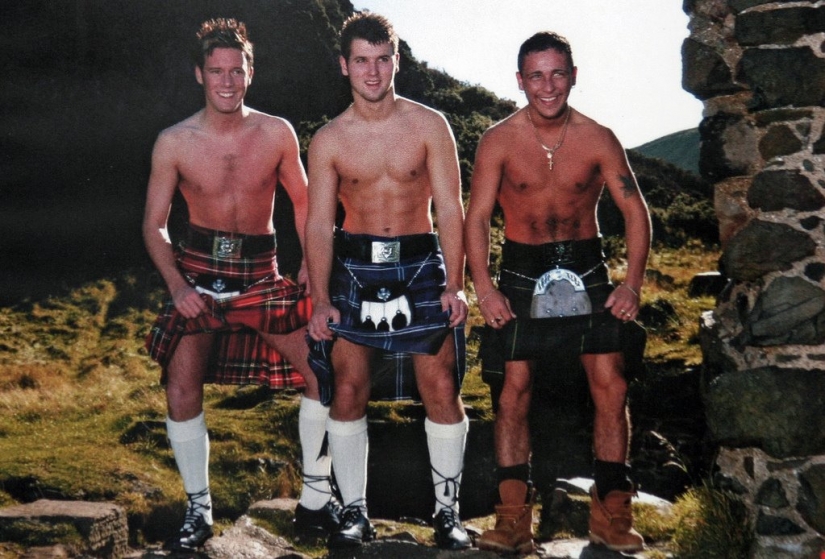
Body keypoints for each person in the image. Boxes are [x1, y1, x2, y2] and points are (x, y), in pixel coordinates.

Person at [142, 18, 339, 551]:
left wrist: (310, 263)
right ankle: (198, 510)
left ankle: (316, 501)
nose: (226, 81)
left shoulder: (276, 133)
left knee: (322, 371)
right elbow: (154, 226)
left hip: (260, 273)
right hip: (198, 275)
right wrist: (178, 287)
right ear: (199, 74)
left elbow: (305, 203)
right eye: (216, 71)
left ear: (250, 72)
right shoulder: (174, 141)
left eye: (236, 70)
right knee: (181, 383)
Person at [464, 32, 651, 554]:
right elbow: (477, 217)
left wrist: (632, 283)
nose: (548, 87)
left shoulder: (598, 138)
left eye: (558, 74)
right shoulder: (498, 140)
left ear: (573, 75)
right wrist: (485, 288)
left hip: (586, 267)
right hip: (521, 270)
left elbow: (635, 210)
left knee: (611, 385)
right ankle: (512, 522)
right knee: (512, 391)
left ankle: (612, 515)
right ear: (520, 80)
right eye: (536, 76)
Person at [304, 12, 472, 551]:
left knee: (440, 385)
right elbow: (318, 224)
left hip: (421, 263)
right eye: (361, 61)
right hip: (355, 265)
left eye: (382, 60)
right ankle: (354, 512)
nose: (372, 72)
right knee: (348, 387)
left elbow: (450, 208)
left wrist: (455, 283)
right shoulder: (329, 139)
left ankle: (449, 513)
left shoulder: (429, 125)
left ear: (396, 61)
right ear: (344, 65)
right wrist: (320, 299)